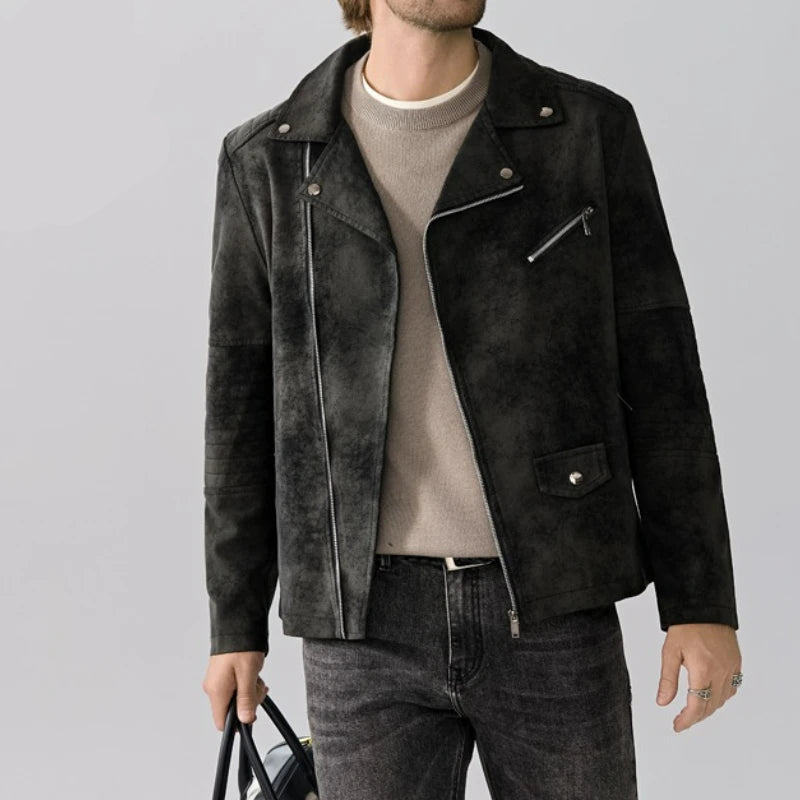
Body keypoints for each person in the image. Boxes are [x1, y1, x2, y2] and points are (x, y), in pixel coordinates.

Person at [202, 2, 744, 797]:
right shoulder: (271, 159)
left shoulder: (583, 130)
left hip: (552, 602)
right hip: (362, 628)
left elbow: (663, 379)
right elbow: (239, 407)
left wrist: (700, 602)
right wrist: (234, 624)